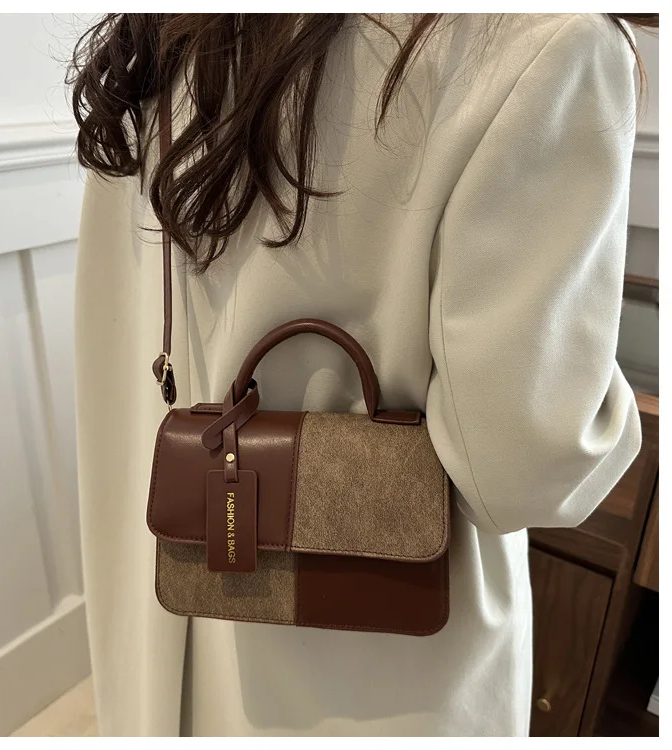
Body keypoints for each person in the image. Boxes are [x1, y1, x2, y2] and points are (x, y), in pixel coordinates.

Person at [69, 13, 656, 737]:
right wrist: (601, 409)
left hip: (163, 618)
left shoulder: (161, 34)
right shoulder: (547, 41)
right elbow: (523, 469)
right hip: (382, 682)